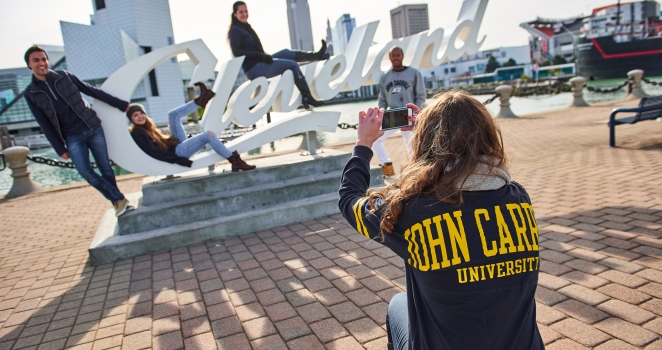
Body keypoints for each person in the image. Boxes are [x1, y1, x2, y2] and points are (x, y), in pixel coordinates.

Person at [338, 90, 543, 350]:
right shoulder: (518, 200)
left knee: (398, 305)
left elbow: (350, 200)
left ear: (428, 142)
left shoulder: (412, 210)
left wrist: (363, 144)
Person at [23, 45, 134, 217]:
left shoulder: (64, 76)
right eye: (36, 60)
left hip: (92, 127)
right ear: (29, 65)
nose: (41, 63)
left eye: (44, 59)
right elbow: (43, 123)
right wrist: (59, 148)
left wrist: (119, 103)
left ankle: (118, 202)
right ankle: (119, 198)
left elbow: (91, 90)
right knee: (85, 172)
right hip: (71, 137)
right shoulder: (31, 93)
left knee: (105, 168)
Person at [128, 83, 256, 172]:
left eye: (141, 113)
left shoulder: (147, 128)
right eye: (135, 115)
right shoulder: (138, 132)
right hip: (177, 153)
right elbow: (155, 152)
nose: (140, 116)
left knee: (172, 115)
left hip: (176, 147)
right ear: (132, 120)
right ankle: (235, 161)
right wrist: (179, 160)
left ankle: (201, 100)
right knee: (207, 135)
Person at [228, 1, 327, 109]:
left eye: (246, 11)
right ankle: (306, 96)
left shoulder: (246, 27)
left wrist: (263, 56)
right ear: (235, 14)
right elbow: (236, 52)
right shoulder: (235, 30)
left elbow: (256, 49)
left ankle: (317, 56)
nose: (244, 14)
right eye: (241, 12)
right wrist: (260, 56)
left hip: (259, 62)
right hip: (254, 69)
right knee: (293, 65)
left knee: (285, 52)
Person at [374, 46, 426, 177]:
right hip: (392, 114)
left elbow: (421, 95)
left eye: (398, 55)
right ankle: (387, 165)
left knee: (412, 147)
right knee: (375, 138)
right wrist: (381, 113)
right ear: (390, 58)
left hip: (409, 113)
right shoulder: (385, 77)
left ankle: (415, 172)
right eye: (393, 55)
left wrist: (416, 111)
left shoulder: (414, 73)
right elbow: (382, 99)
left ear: (402, 56)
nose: (395, 57)